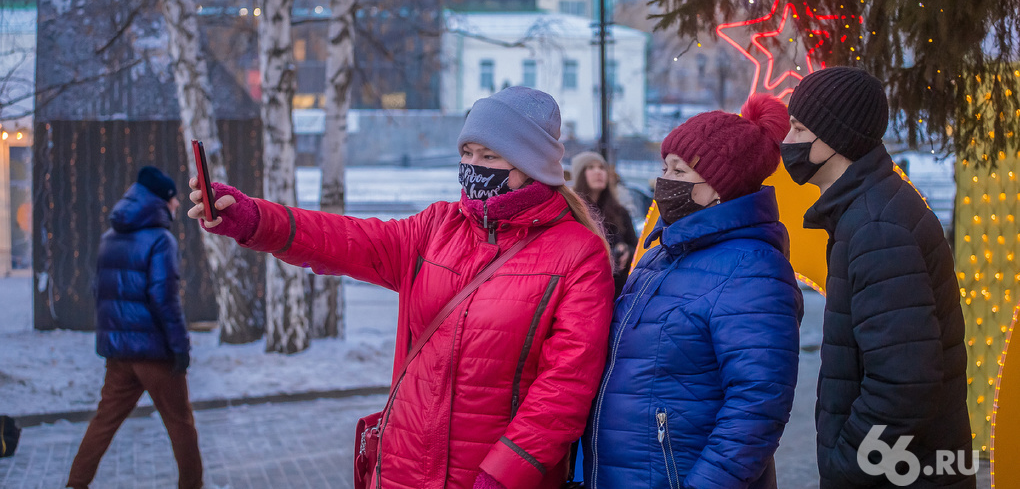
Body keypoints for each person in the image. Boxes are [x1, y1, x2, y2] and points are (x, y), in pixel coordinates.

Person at [189, 86, 615, 489]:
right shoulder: (436, 226)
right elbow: (345, 239)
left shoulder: (578, 253)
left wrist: (502, 474)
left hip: (488, 476)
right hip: (401, 468)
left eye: (490, 155)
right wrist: (254, 219)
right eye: (467, 152)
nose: (473, 165)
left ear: (531, 165)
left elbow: (565, 387)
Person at [584, 94, 803, 489]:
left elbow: (757, 405)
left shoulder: (752, 268)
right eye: (664, 166)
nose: (664, 181)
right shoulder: (658, 257)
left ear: (720, 187)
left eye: (679, 171)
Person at [783, 67, 974, 488]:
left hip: (900, 475)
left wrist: (847, 462)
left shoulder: (877, 226)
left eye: (798, 128)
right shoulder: (868, 210)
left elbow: (905, 381)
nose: (788, 141)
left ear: (835, 137)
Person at [68, 166, 201, 489]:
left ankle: (75, 484)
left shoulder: (110, 237)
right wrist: (180, 347)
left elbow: (100, 291)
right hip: (155, 354)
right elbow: (164, 298)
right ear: (162, 200)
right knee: (180, 423)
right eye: (174, 199)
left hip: (119, 354)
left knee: (104, 421)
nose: (177, 205)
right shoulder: (161, 240)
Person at [570, 151, 639, 296]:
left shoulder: (620, 212)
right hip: (583, 290)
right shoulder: (571, 211)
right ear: (580, 175)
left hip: (618, 292)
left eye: (602, 168)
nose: (598, 172)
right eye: (590, 167)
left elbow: (639, 250)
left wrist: (626, 250)